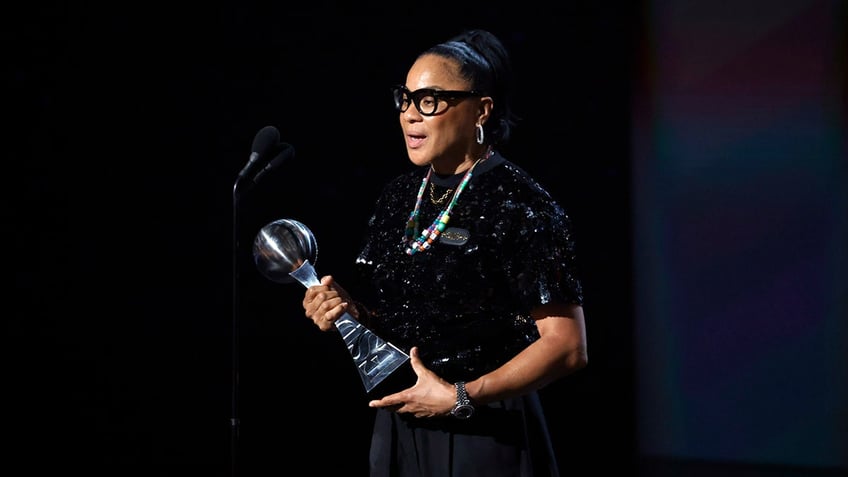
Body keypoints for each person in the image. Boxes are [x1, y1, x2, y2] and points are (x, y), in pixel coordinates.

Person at [301, 28, 588, 477]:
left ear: (480, 109)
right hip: (400, 416)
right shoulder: (399, 196)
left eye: (430, 100)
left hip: (486, 426)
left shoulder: (520, 204)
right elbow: (401, 317)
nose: (411, 115)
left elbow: (567, 347)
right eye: (406, 99)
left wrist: (462, 395)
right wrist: (346, 312)